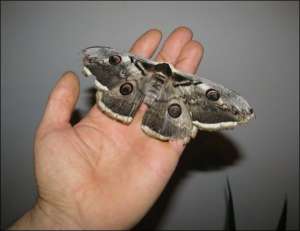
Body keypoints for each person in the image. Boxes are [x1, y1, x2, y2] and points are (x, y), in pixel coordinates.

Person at [10, 26, 204, 230]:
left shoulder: (140, 66)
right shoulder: (179, 80)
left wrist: (62, 219)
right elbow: (103, 60)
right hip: (162, 96)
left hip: (149, 90)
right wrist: (63, 217)